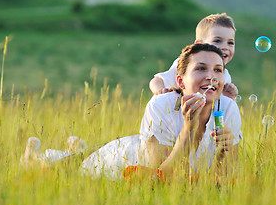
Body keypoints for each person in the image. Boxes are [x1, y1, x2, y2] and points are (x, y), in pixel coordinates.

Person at [22, 43, 242, 181]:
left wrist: (226, 153)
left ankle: (76, 147)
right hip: (122, 164)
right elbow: (161, 177)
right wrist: (188, 130)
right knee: (66, 170)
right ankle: (35, 157)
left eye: (217, 70)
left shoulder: (228, 108)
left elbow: (225, 181)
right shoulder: (162, 106)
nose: (211, 77)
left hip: (169, 165)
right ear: (180, 81)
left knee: (81, 155)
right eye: (200, 68)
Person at [149, 13, 239, 100]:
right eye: (217, 41)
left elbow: (217, 104)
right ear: (199, 44)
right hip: (173, 112)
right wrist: (160, 91)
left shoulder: (225, 75)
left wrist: (228, 97)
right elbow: (157, 81)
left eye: (230, 43)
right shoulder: (187, 65)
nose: (225, 47)